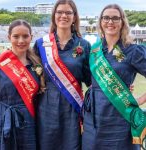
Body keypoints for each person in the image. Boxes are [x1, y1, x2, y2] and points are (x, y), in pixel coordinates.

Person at [82, 4, 146, 150]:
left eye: (115, 18)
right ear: (100, 22)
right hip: (93, 118)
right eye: (106, 18)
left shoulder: (133, 50)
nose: (110, 22)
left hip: (120, 118)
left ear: (122, 22)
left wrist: (140, 99)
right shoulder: (95, 50)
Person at [34, 0, 91, 150]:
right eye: (59, 12)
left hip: (72, 108)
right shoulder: (40, 44)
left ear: (74, 17)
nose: (63, 16)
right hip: (46, 107)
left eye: (68, 12)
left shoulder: (84, 45)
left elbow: (91, 79)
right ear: (54, 16)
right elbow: (31, 75)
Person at [0, 19, 45, 150]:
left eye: (25, 36)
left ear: (31, 37)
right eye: (16, 36)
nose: (21, 41)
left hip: (28, 119)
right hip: (2, 117)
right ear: (9, 37)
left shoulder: (37, 65)